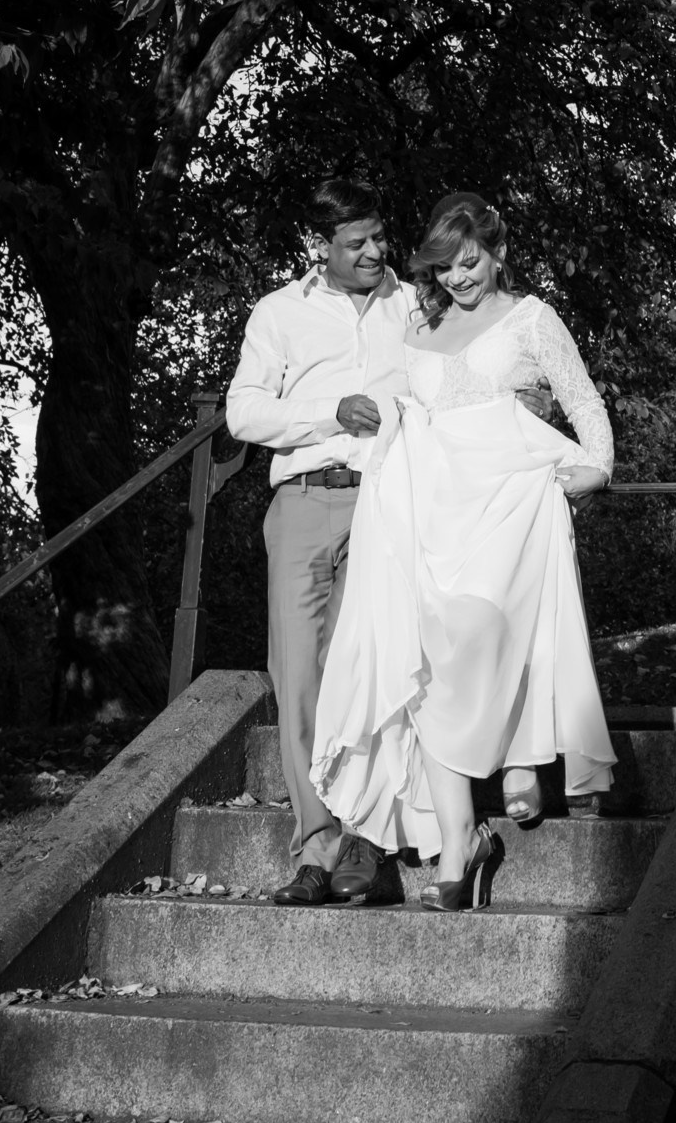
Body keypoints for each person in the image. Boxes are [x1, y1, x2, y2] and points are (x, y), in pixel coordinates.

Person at [224, 179, 551, 908]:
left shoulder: (417, 303)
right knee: (300, 674)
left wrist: (524, 401)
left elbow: (472, 368)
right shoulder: (279, 314)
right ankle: (318, 846)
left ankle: (367, 848)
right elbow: (243, 412)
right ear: (322, 247)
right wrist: (327, 412)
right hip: (306, 498)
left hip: (394, 504)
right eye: (356, 243)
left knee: (381, 669)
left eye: (378, 237)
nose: (375, 251)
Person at [309, 195, 617, 910]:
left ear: (496, 248)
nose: (459, 277)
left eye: (469, 261)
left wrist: (597, 467)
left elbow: (585, 403)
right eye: (444, 267)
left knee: (477, 632)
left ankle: (519, 759)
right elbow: (400, 412)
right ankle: (457, 850)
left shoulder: (533, 318)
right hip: (427, 517)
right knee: (422, 668)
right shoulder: (420, 326)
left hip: (505, 509)